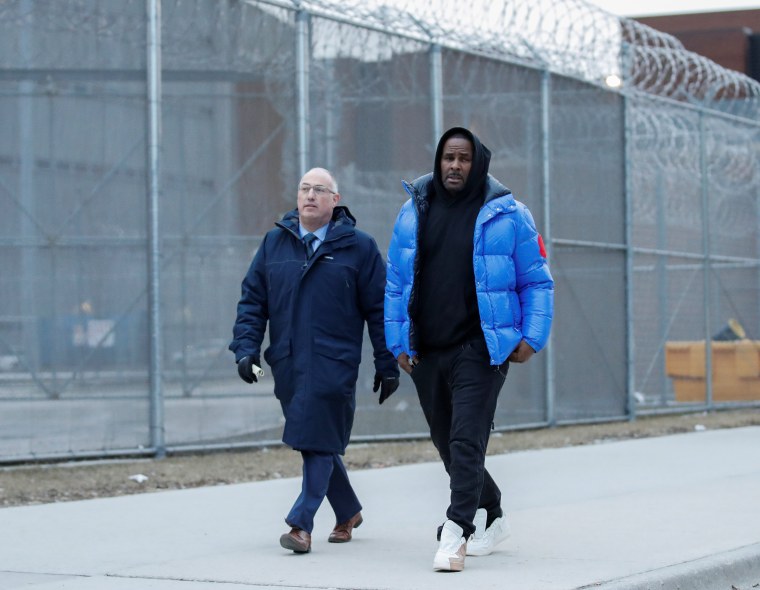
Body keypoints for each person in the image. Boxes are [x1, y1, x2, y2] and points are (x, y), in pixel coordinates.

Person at [384, 127, 554, 572]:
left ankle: (456, 532)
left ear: (478, 163)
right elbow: (397, 282)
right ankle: (492, 515)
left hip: (482, 347)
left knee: (465, 439)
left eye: (463, 158)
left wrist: (531, 337)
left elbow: (536, 280)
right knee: (448, 443)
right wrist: (397, 342)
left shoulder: (510, 215)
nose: (455, 166)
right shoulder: (413, 212)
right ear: (438, 162)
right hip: (428, 349)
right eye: (448, 158)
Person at [230, 167, 400, 554]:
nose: (310, 195)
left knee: (318, 438)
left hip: (334, 363)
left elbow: (380, 310)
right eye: (304, 188)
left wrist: (387, 362)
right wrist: (246, 349)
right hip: (288, 361)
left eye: (319, 190)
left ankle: (301, 523)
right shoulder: (275, 243)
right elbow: (253, 301)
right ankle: (348, 510)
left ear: (335, 200)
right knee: (315, 440)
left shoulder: (359, 247)